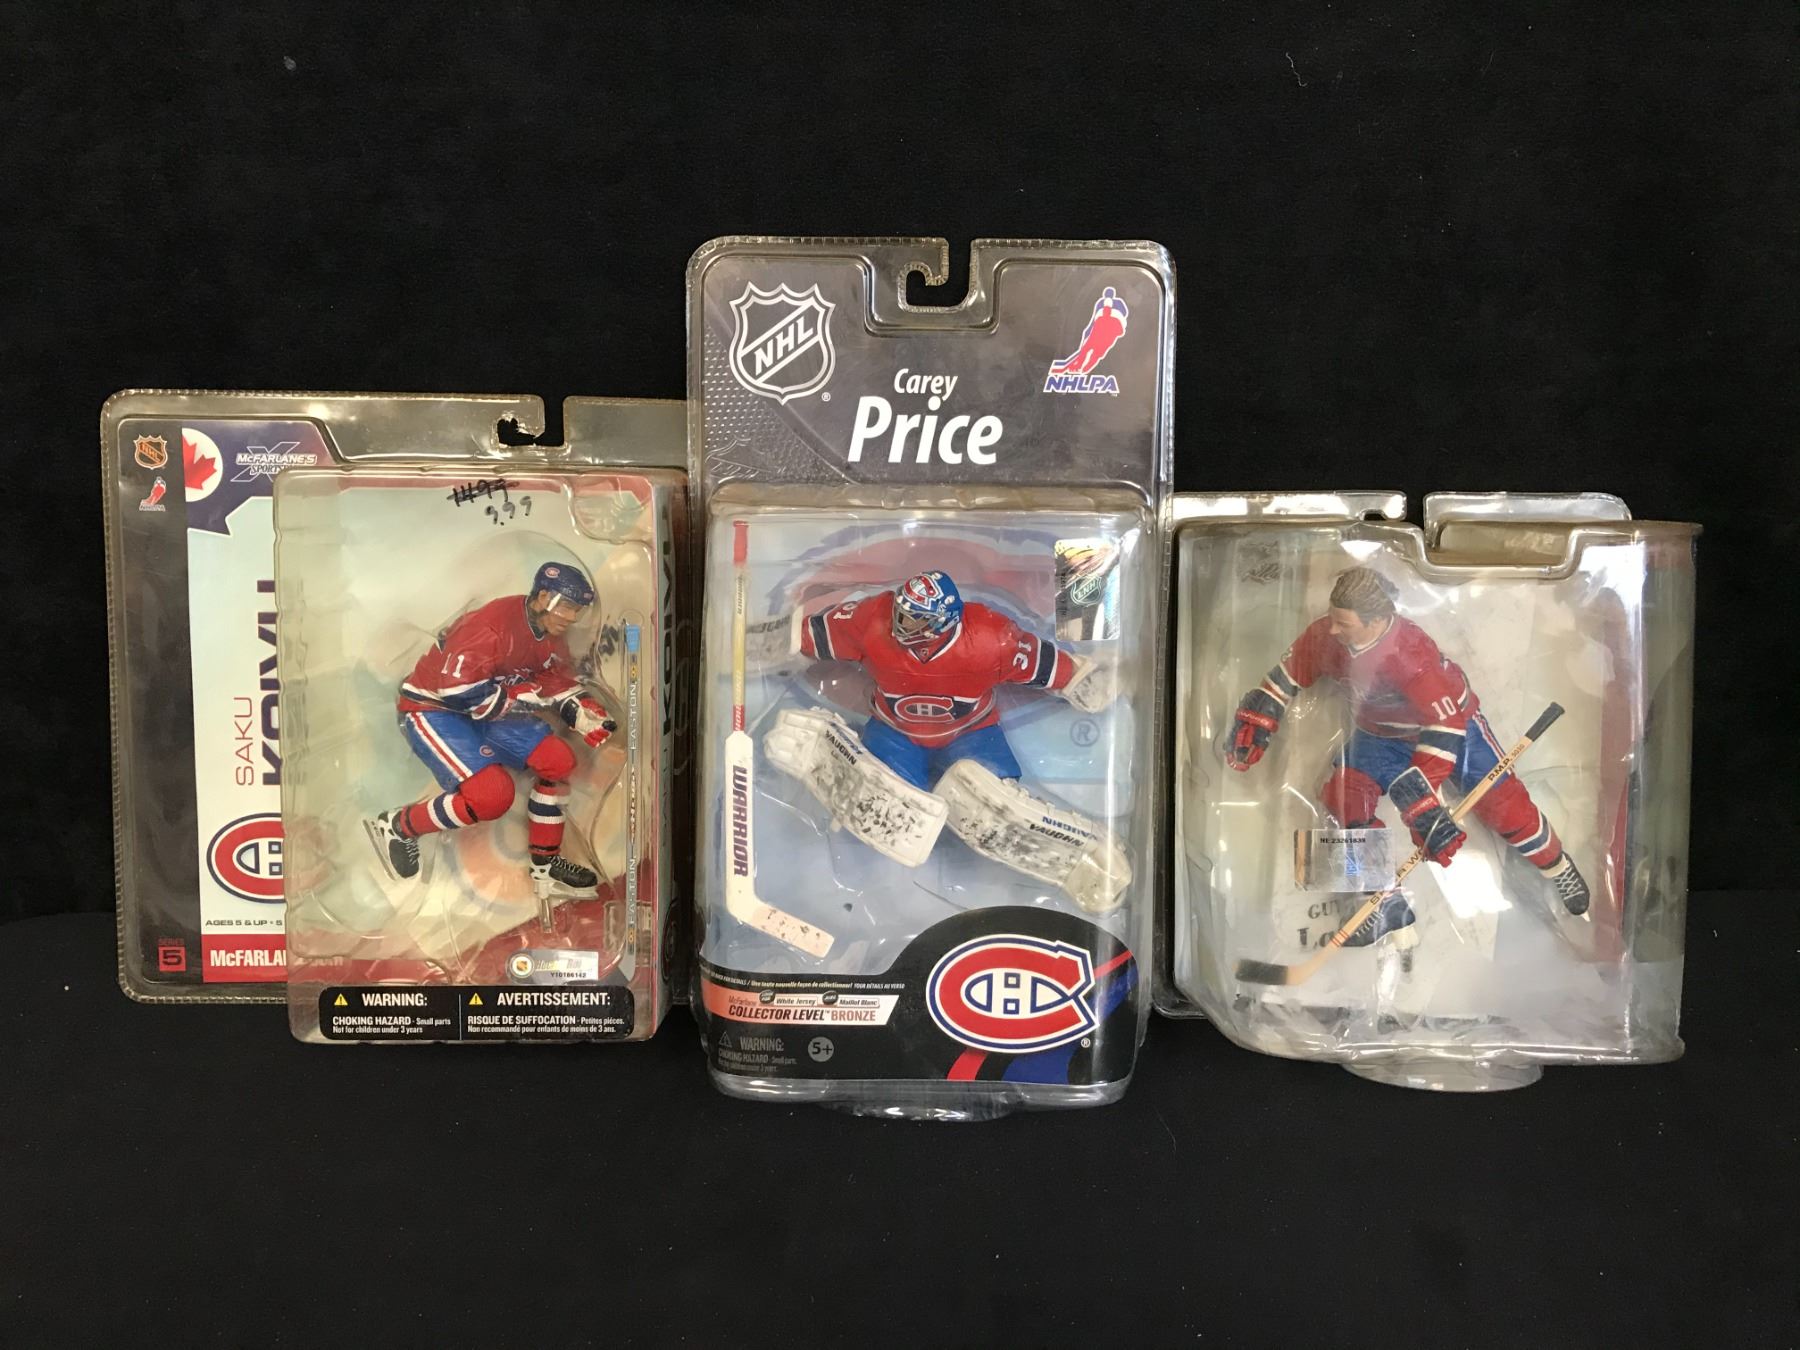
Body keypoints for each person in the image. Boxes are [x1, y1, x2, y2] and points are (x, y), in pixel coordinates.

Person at [1227, 566, 1590, 944]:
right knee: (1344, 797)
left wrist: (1421, 795)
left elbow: (1445, 725)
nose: (1332, 629)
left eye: (1343, 623)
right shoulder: (1327, 636)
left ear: (1376, 621)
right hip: (1379, 734)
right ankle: (1384, 903)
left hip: (1454, 728)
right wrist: (1265, 706)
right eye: (1333, 619)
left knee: (1503, 803)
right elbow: (1292, 669)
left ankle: (1557, 866)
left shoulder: (1411, 656)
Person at [365, 561, 616, 901]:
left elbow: (553, 680)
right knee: (492, 796)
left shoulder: (550, 636)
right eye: (568, 606)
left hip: (487, 707)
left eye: (578, 610)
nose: (572, 617)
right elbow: (455, 690)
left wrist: (581, 710)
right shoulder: (492, 625)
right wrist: (519, 695)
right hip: (434, 707)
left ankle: (545, 865)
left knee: (558, 761)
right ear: (544, 597)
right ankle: (399, 826)